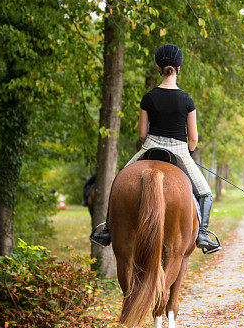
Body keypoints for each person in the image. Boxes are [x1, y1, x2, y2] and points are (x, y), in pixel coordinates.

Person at [90, 44, 221, 254]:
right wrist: (188, 155)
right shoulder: (187, 100)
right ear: (179, 68)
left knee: (118, 183)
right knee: (205, 192)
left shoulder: (148, 97)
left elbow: (142, 134)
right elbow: (193, 139)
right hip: (179, 150)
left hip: (150, 146)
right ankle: (203, 235)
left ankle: (106, 231)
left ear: (159, 69)